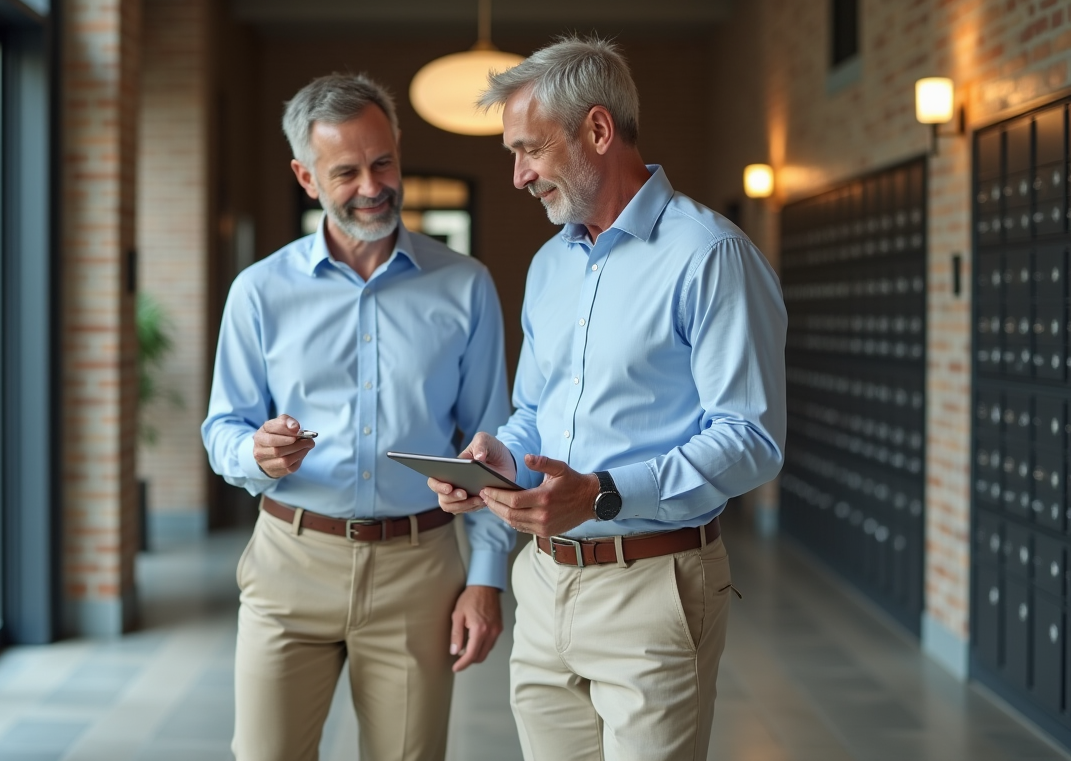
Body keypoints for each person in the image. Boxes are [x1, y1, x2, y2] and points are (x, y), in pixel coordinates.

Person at [429, 37, 787, 761]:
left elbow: (750, 438)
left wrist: (602, 494)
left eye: (529, 149)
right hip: (545, 583)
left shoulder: (710, 256)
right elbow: (535, 409)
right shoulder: (548, 264)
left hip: (652, 588)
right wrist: (497, 456)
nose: (519, 175)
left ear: (597, 130)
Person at [203, 73, 514, 761]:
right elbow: (221, 427)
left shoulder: (465, 286)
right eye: (345, 171)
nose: (372, 186)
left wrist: (486, 580)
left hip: (420, 570)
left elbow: (497, 448)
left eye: (383, 162)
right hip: (290, 562)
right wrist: (255, 453)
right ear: (305, 177)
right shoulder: (258, 292)